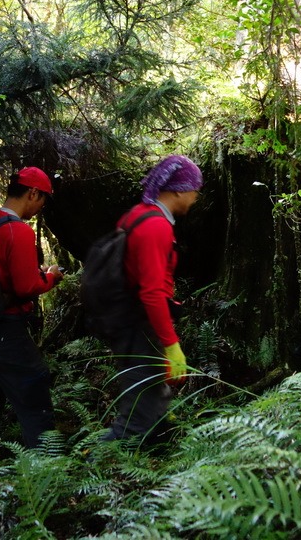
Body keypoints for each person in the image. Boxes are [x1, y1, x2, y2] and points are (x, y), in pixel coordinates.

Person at [0, 166, 65, 455]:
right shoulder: (17, 230)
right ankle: (50, 468)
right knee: (34, 394)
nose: (42, 205)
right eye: (43, 198)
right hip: (7, 329)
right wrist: (52, 277)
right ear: (32, 192)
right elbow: (24, 287)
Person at [102, 154, 202, 443]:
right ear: (179, 190)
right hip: (139, 327)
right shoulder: (155, 226)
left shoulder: (136, 214)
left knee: (155, 400)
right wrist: (171, 345)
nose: (196, 196)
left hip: (126, 321)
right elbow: (152, 292)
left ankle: (159, 464)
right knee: (137, 418)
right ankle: (89, 473)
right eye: (194, 188)